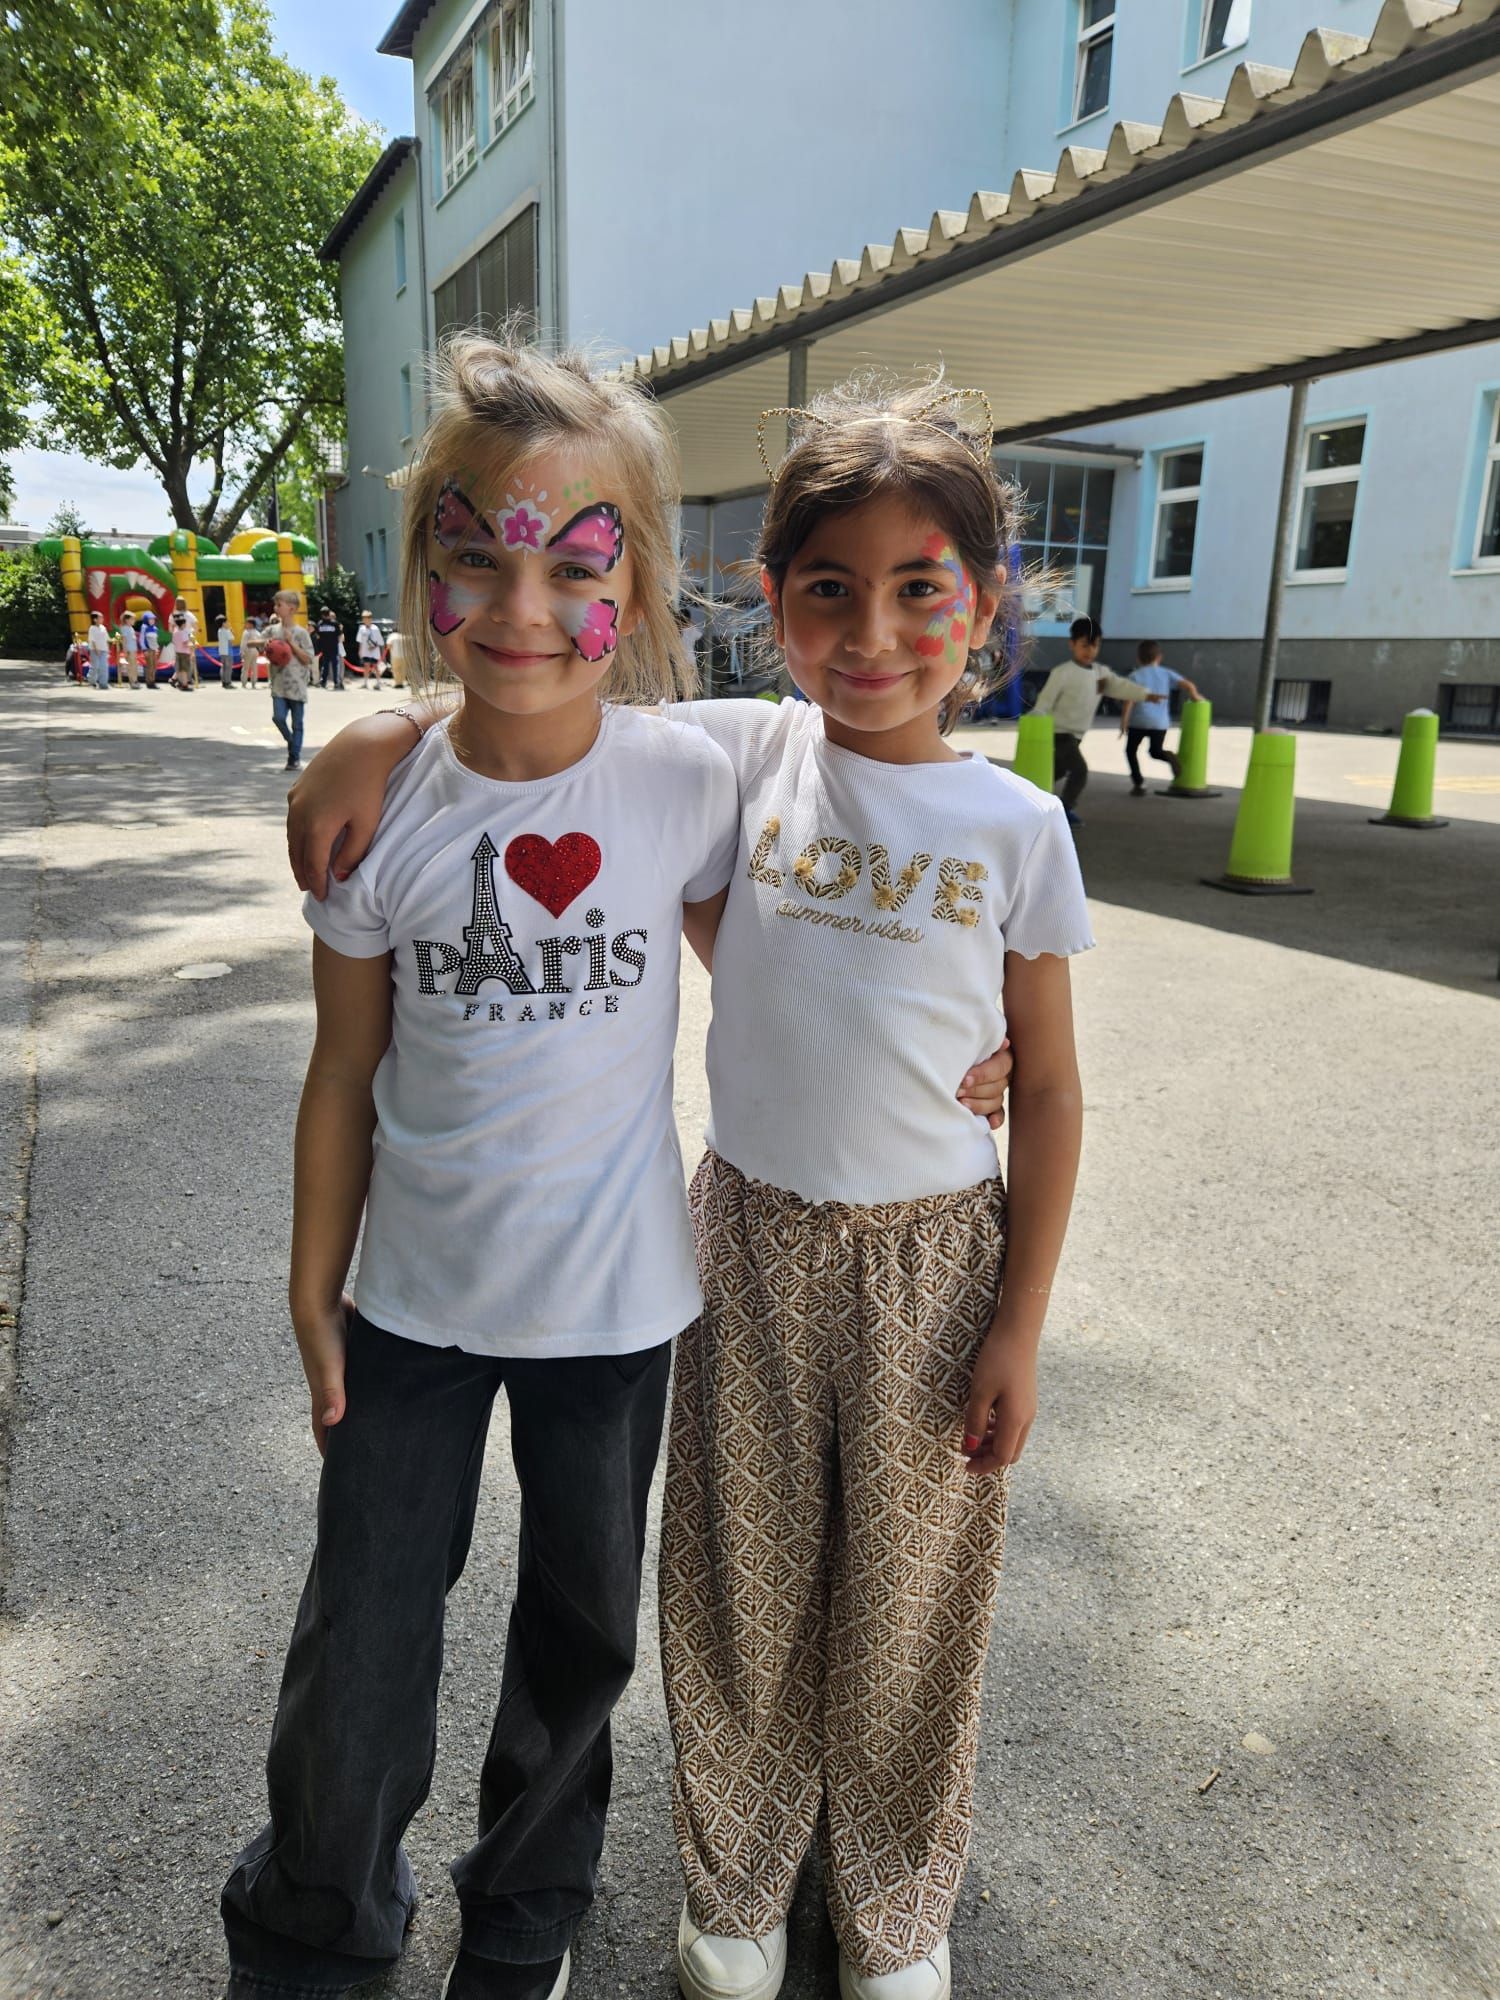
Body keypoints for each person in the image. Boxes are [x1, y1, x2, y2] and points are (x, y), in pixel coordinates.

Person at [284, 370, 1077, 2000]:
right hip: (575, 1276)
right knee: (531, 1614)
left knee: (743, 1622)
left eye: (577, 566)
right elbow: (514, 746)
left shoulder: (866, 799)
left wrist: (981, 1120)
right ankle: (402, 1918)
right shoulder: (633, 771)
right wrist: (371, 728)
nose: (526, 604)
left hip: (776, 1285)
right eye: (827, 591)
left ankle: (710, 1908)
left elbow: (948, 1011)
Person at [1030, 615, 1158, 827]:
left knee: (1054, 771)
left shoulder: (1100, 675)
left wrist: (1145, 694)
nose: (1090, 651)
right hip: (1059, 734)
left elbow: (1119, 687)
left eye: (1095, 645)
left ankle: (1030, 799)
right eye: (1084, 645)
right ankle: (1064, 810)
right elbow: (1045, 701)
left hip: (1077, 736)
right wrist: (1034, 721)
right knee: (1079, 771)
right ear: (1072, 644)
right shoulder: (1063, 673)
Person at [1119, 639, 1202, 795]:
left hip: (1139, 722)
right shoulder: (1166, 673)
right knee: (1155, 751)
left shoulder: (1134, 676)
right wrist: (1196, 697)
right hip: (1159, 723)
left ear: (1138, 658)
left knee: (1130, 751)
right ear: (1159, 657)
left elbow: (1129, 702)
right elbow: (1189, 685)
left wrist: (1124, 722)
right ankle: (1169, 757)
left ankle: (1139, 784)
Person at [262, 590, 313, 770]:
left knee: (297, 724)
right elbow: (253, 643)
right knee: (278, 718)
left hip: (297, 686)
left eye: (279, 605)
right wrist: (266, 644)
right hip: (278, 685)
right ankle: (292, 742)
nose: (275, 608)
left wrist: (291, 644)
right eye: (275, 605)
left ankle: (294, 758)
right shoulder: (273, 630)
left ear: (291, 608)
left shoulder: (301, 633)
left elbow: (308, 659)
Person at [169, 599, 199, 690]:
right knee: (188, 660)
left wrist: (174, 636)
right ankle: (185, 680)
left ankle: (177, 679)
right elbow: (196, 626)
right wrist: (192, 635)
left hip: (178, 639)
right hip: (188, 636)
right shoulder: (189, 614)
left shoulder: (173, 615)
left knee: (180, 663)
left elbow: (170, 628)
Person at [314, 603, 345, 689]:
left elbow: (318, 636)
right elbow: (339, 635)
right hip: (334, 648)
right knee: (335, 666)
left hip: (324, 648)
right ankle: (336, 682)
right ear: (328, 613)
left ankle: (323, 682)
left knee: (325, 665)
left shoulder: (320, 624)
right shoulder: (334, 624)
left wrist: (320, 646)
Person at [354, 608, 385, 684]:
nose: (364, 620)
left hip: (374, 651)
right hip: (365, 651)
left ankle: (378, 683)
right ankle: (365, 683)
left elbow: (380, 641)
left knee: (375, 666)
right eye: (363, 618)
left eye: (366, 618)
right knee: (366, 665)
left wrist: (374, 646)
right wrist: (360, 650)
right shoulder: (362, 629)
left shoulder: (375, 628)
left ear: (370, 619)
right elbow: (360, 640)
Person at [86, 614, 111, 689]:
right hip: (94, 650)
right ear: (95, 619)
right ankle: (92, 681)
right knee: (95, 666)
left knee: (104, 666)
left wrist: (108, 649)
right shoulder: (92, 628)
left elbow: (107, 639)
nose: (102, 619)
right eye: (100, 618)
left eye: (102, 617)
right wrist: (96, 649)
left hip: (104, 649)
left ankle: (103, 683)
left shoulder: (103, 628)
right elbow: (92, 640)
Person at [239, 614, 264, 690]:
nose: (245, 625)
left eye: (246, 623)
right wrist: (261, 650)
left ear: (250, 624)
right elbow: (260, 642)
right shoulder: (257, 632)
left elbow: (243, 643)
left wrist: (242, 652)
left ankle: (244, 683)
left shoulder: (246, 632)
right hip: (255, 651)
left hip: (248, 650)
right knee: (254, 667)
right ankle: (254, 683)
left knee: (245, 668)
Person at [118, 611, 141, 688]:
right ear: (127, 620)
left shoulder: (131, 628)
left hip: (133, 649)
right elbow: (124, 640)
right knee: (131, 666)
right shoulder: (124, 628)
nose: (134, 621)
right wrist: (125, 651)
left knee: (134, 665)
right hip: (129, 650)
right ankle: (132, 681)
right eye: (132, 619)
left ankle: (135, 680)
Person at [139, 609, 160, 688]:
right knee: (149, 665)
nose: (152, 621)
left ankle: (153, 680)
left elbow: (155, 640)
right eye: (150, 619)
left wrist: (157, 648)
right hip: (148, 649)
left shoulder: (155, 628)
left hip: (154, 649)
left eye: (153, 619)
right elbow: (141, 639)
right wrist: (144, 649)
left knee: (154, 666)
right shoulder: (144, 627)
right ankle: (149, 681)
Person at [217, 614, 237, 691]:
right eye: (226, 622)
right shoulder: (226, 631)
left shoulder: (219, 631)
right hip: (228, 652)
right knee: (228, 668)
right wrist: (232, 632)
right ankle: (228, 682)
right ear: (223, 623)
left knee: (223, 667)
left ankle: (223, 681)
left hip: (222, 652)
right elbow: (231, 640)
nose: (228, 623)